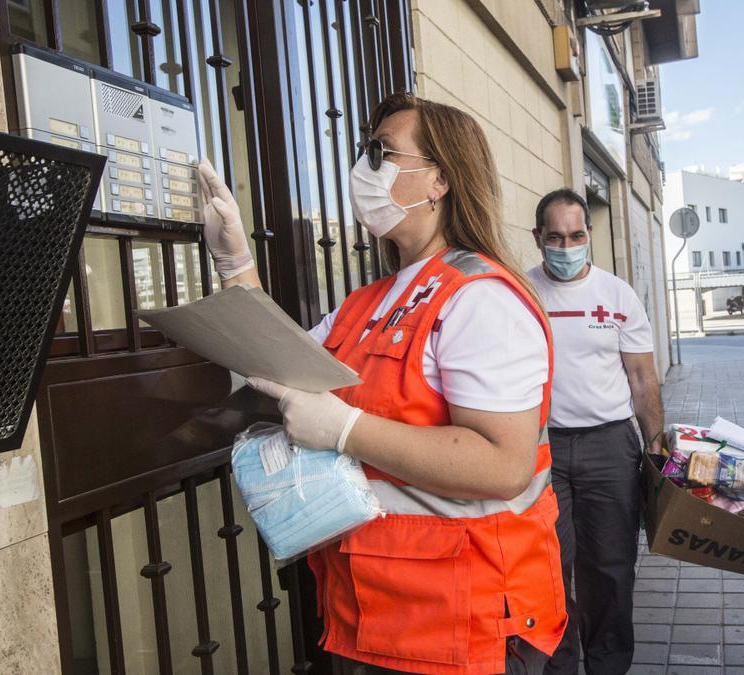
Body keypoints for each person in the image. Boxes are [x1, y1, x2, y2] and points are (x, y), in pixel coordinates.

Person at [198, 92, 567, 675]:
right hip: (372, 615)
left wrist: (346, 429)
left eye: (382, 152)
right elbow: (270, 362)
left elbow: (503, 465)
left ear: (438, 180)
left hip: (461, 624)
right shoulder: (368, 302)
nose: (362, 170)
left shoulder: (479, 298)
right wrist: (234, 263)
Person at [527, 188, 663, 675]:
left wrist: (657, 447)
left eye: (577, 235)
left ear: (590, 234)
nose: (567, 247)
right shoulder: (521, 294)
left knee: (610, 567)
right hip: (543, 449)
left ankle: (607, 665)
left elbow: (643, 378)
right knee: (549, 570)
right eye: (556, 237)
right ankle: (559, 666)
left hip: (611, 445)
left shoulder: (617, 295)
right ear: (538, 238)